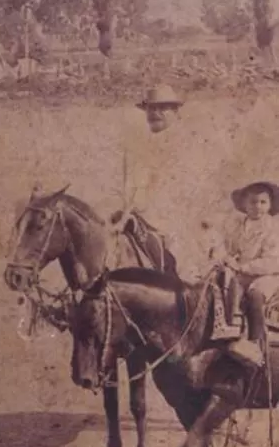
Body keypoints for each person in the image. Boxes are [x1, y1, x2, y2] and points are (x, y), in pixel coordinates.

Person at [116, 83, 231, 281]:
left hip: (182, 218)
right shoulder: (136, 147)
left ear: (176, 112)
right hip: (144, 216)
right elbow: (130, 187)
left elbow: (199, 187)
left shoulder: (191, 144)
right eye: (151, 108)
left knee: (186, 260)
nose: (155, 113)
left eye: (162, 108)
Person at [213, 181, 279, 369]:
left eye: (263, 202)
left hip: (269, 274)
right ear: (244, 204)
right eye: (253, 202)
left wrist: (242, 266)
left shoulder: (274, 229)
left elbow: (272, 260)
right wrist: (222, 258)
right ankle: (226, 328)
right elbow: (226, 247)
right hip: (239, 271)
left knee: (255, 293)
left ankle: (256, 342)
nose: (258, 207)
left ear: (270, 204)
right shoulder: (237, 226)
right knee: (217, 284)